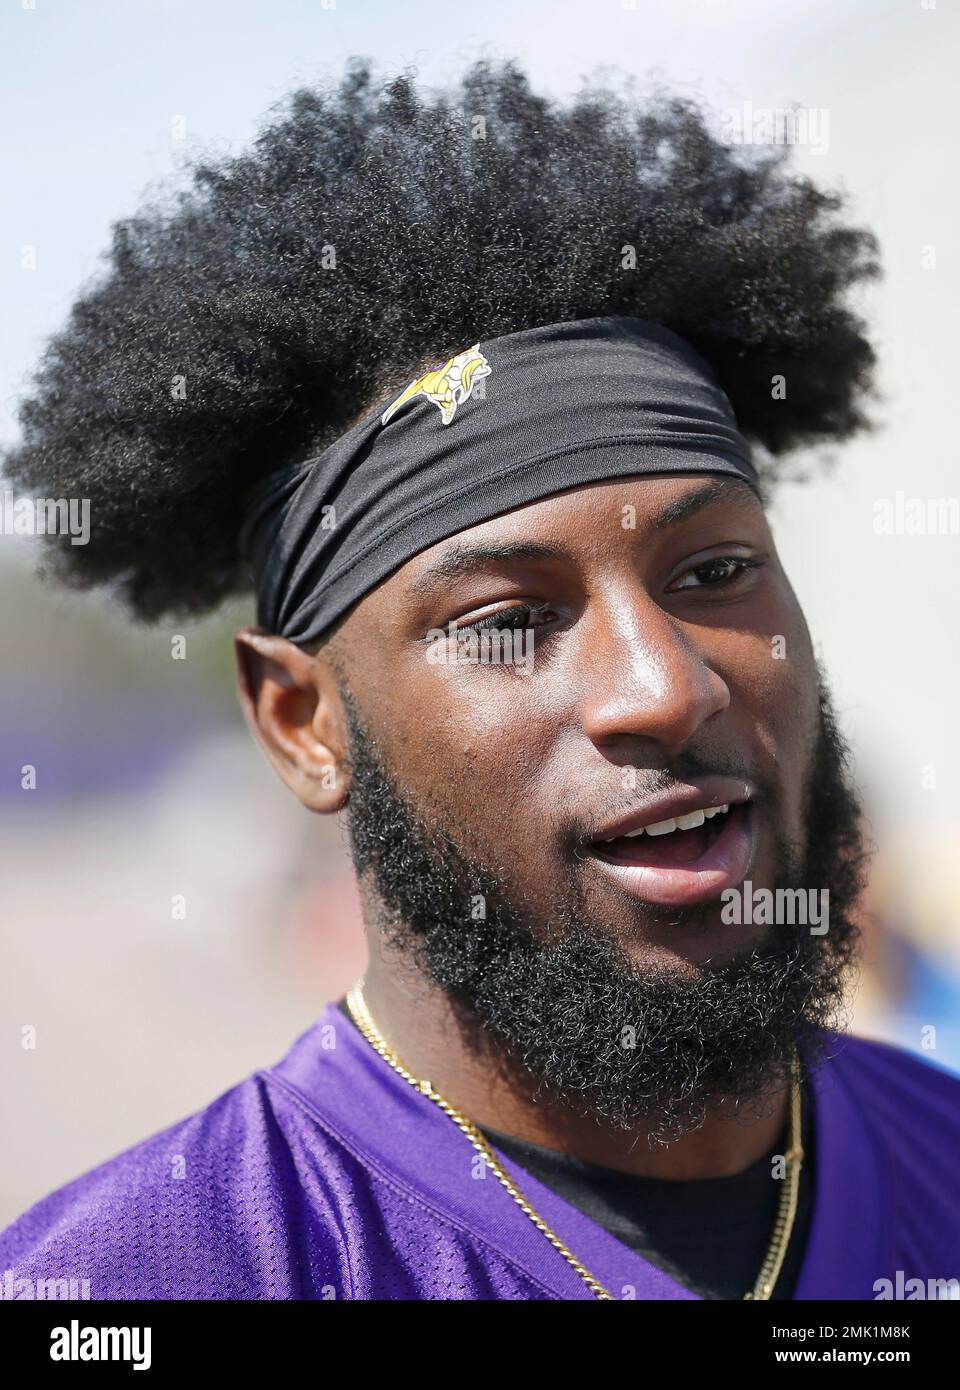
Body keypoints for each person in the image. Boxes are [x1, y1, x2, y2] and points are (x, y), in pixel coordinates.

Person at [2, 59, 958, 1303]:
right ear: (302, 722)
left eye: (715, 568)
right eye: (511, 620)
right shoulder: (141, 1281)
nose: (663, 688)